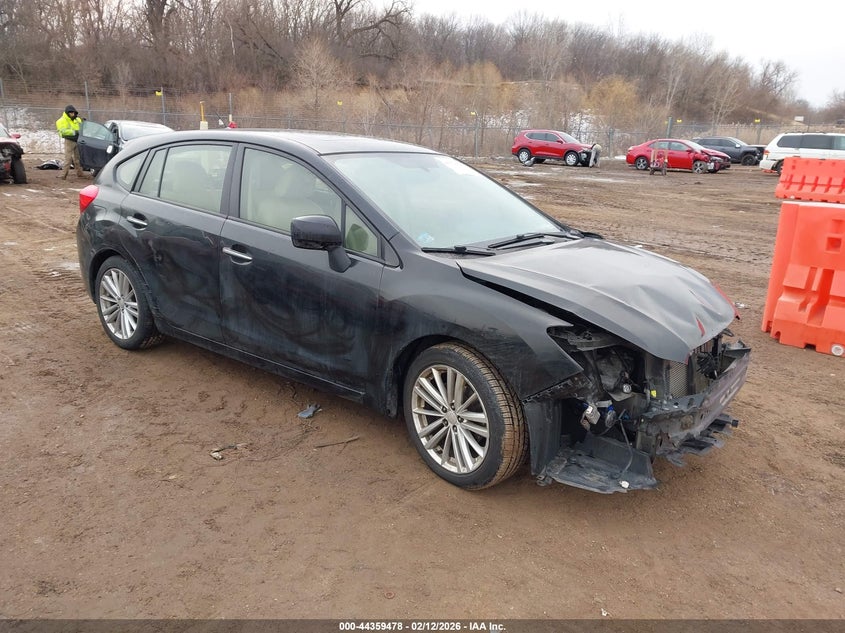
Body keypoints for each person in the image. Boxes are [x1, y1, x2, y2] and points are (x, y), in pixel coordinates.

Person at [55, 105, 86, 179]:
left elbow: (82, 125)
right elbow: (62, 131)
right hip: (69, 140)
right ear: (67, 113)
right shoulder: (61, 121)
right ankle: (63, 175)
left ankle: (80, 173)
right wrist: (75, 132)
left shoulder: (77, 119)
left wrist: (84, 122)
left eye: (73, 113)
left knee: (77, 159)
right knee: (68, 159)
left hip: (78, 140)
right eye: (71, 113)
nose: (72, 114)